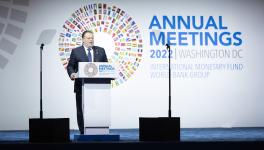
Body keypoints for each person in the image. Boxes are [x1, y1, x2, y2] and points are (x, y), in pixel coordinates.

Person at [67, 30, 108, 134]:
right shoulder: (76, 51)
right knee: (81, 110)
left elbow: (106, 67)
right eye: (89, 38)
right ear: (83, 39)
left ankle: (98, 130)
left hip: (98, 87)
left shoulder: (101, 50)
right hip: (81, 86)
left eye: (92, 38)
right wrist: (72, 74)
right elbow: (70, 66)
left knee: (97, 109)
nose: (91, 40)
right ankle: (82, 132)